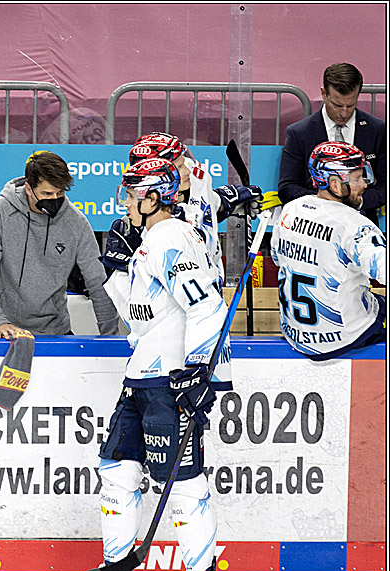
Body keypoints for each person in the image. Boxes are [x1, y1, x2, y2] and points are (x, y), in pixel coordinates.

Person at [67, 158, 231, 571]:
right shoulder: (149, 243)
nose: (124, 203)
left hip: (169, 381)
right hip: (140, 375)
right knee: (116, 470)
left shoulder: (174, 239)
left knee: (183, 484)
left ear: (154, 196)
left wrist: (197, 370)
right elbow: (137, 313)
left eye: (132, 193)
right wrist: (114, 271)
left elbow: (207, 306)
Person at [0, 150, 119, 338]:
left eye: (60, 192)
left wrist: (111, 337)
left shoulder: (76, 222)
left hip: (55, 332)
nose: (54, 199)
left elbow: (97, 282)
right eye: (47, 193)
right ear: (28, 188)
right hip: (3, 331)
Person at [272, 142, 386, 360]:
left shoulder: (291, 209)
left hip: (295, 334)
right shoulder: (355, 225)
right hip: (343, 337)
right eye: (357, 178)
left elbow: (277, 258)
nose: (364, 184)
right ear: (335, 185)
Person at [127, 132, 263, 290]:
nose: (187, 170)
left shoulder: (194, 175)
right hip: (180, 302)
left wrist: (227, 201)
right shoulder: (148, 220)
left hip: (213, 289)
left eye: (184, 162)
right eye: (178, 167)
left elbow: (205, 203)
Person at [278, 63, 386, 225]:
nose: (343, 112)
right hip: (315, 225)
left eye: (350, 105)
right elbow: (287, 187)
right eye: (337, 105)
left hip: (362, 224)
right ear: (324, 93)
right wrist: (325, 202)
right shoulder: (299, 133)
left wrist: (357, 201)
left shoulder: (377, 130)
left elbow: (385, 186)